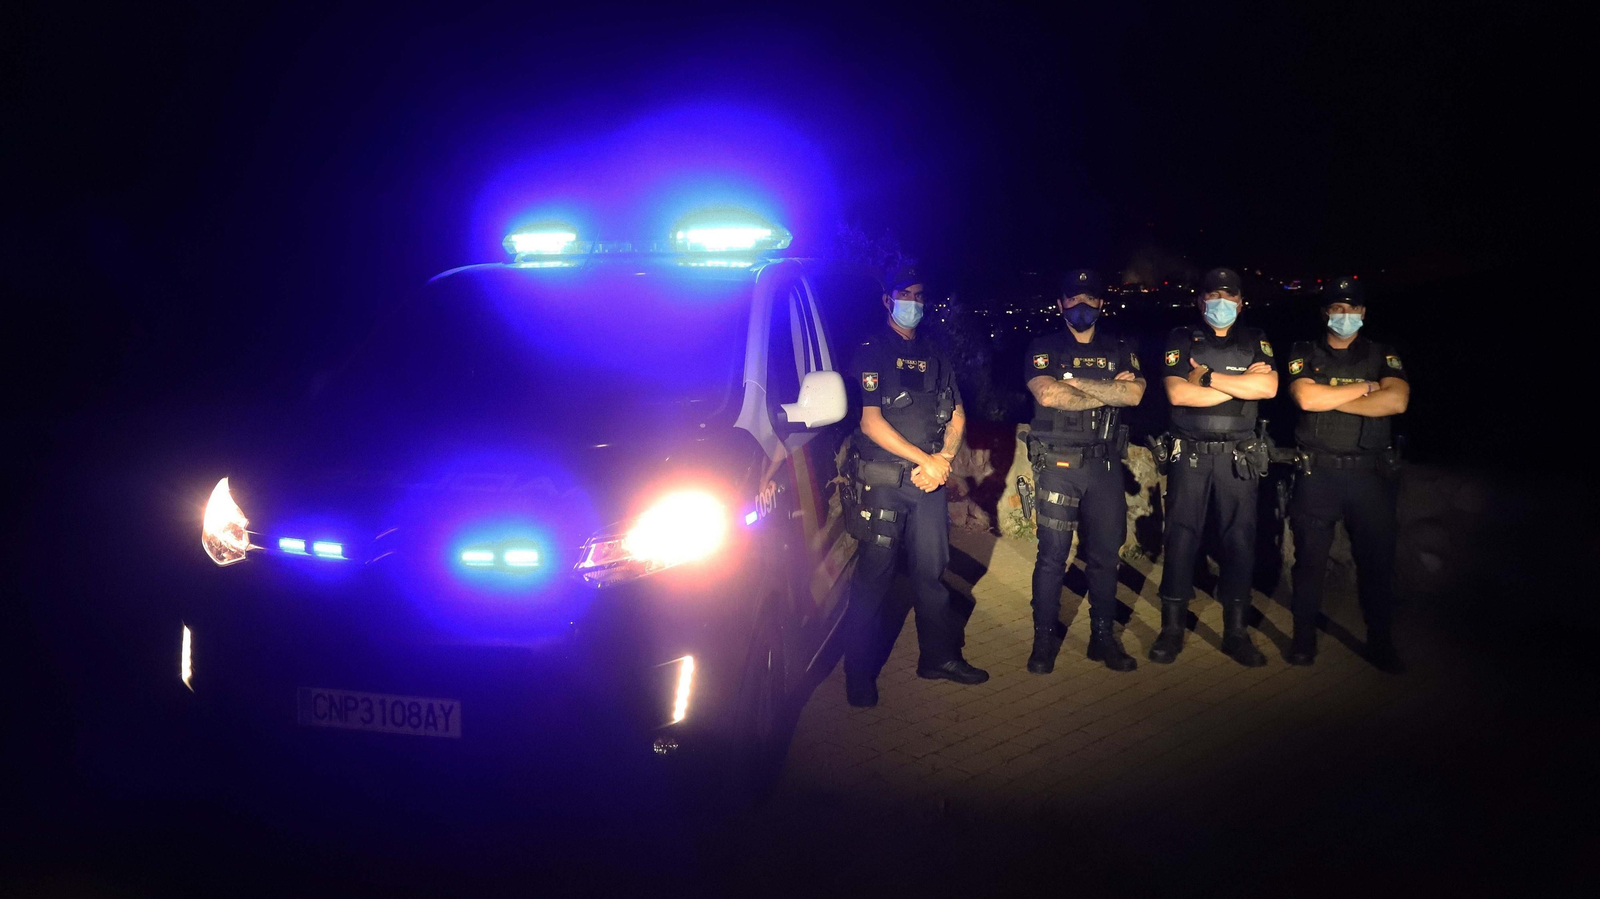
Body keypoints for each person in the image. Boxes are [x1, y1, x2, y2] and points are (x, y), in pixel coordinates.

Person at [841, 265, 989, 708]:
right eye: (905, 295)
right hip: (885, 482)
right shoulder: (871, 351)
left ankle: (938, 658)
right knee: (874, 578)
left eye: (920, 296)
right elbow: (870, 422)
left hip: (928, 482)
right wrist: (927, 459)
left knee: (931, 573)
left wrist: (942, 461)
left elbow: (957, 413)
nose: (914, 304)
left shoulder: (936, 354)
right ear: (888, 301)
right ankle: (859, 674)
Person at [1152, 267, 1278, 667]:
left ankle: (1236, 633)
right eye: (1213, 295)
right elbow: (1176, 394)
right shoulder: (1179, 337)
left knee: (1240, 542)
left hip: (1238, 457)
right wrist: (1239, 388)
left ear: (1241, 302)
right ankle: (1171, 629)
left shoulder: (1255, 339)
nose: (1221, 303)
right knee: (1181, 539)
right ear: (1200, 300)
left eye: (1229, 296)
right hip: (1189, 454)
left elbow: (1269, 388)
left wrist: (1206, 379)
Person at [1022, 269, 1146, 674]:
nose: (1081, 307)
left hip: (1105, 467)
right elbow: (1047, 392)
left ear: (1101, 305)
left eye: (1089, 300)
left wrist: (1074, 383)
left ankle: (1103, 639)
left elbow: (1135, 393)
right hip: (1058, 465)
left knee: (1105, 557)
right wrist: (1107, 389)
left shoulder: (1120, 347)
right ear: (1060, 305)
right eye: (1073, 299)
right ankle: (1043, 643)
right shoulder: (1043, 346)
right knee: (1052, 557)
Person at [1285, 277, 1409, 673]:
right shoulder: (1304, 351)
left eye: (1352, 308)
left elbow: (1397, 401)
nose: (1345, 315)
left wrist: (1332, 399)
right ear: (1325, 313)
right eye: (1337, 308)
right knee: (1309, 565)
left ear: (1363, 313)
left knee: (1376, 566)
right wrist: (1364, 390)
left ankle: (1381, 644)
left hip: (1370, 477)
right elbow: (1306, 398)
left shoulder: (1382, 352)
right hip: (1317, 473)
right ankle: (1302, 642)